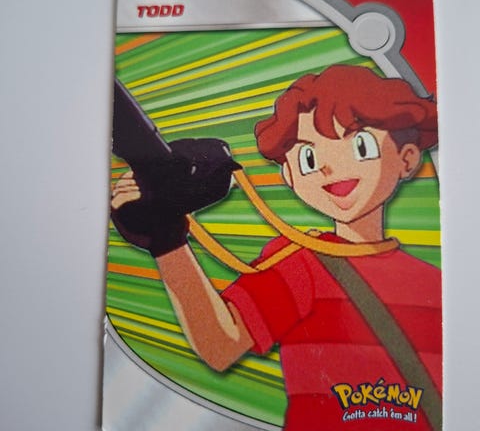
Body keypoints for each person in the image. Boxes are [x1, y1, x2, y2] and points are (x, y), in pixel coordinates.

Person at [111, 65, 441, 430]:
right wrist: (168, 242)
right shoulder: (304, 264)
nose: (329, 168)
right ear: (290, 175)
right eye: (308, 158)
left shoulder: (437, 284)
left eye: (359, 146)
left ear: (407, 158)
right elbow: (222, 343)